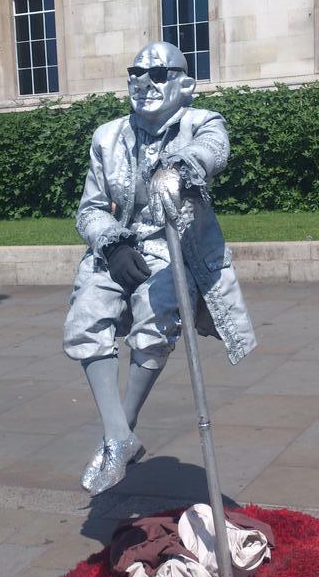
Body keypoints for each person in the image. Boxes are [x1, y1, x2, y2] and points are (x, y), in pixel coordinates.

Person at [63, 41, 256, 495]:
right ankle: (120, 437)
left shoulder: (201, 121)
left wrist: (179, 168)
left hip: (174, 248)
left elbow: (213, 151)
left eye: (159, 74)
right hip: (120, 247)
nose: (144, 82)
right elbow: (90, 209)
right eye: (136, 72)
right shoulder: (106, 137)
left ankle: (121, 433)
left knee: (156, 315)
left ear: (184, 85)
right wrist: (112, 244)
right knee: (85, 318)